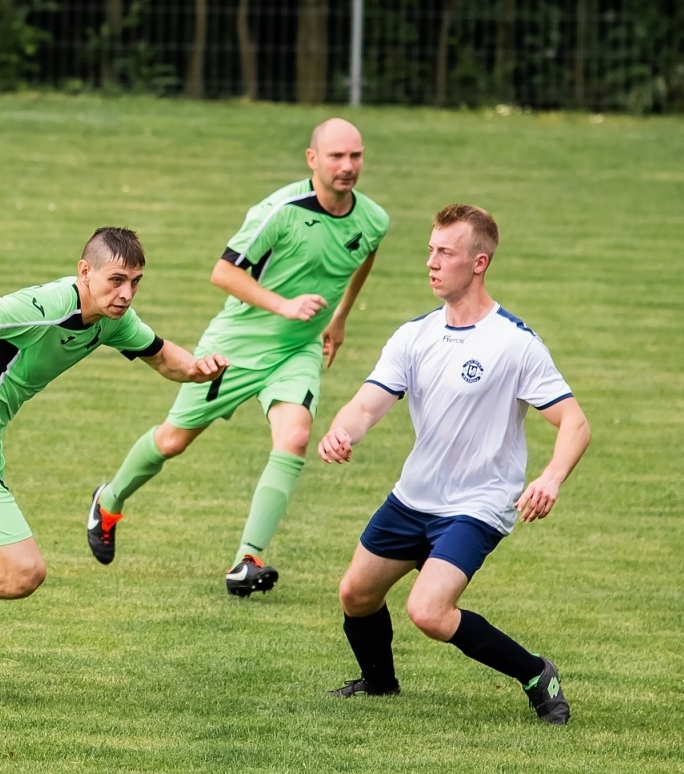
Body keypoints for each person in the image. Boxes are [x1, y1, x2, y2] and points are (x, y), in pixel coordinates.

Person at [0, 228, 227, 657]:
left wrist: (199, 369)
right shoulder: (46, 305)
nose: (126, 293)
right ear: (85, 272)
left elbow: (162, 357)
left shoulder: (110, 321)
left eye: (135, 281)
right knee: (22, 573)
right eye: (116, 280)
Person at [85, 119, 389, 597]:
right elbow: (223, 273)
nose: (347, 166)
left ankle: (248, 558)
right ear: (313, 160)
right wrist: (285, 304)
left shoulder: (373, 219)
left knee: (295, 437)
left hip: (298, 348)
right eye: (336, 157)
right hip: (238, 344)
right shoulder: (279, 212)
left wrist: (341, 316)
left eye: (355, 156)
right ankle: (109, 500)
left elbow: (363, 253)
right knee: (172, 441)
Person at [316, 203, 591, 723]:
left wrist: (551, 478)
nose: (432, 263)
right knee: (355, 593)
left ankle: (537, 673)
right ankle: (379, 684)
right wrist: (341, 431)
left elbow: (575, 423)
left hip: (477, 503)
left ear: (479, 261)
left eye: (445, 252)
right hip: (414, 496)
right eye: (430, 251)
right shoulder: (414, 336)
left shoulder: (515, 344)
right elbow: (368, 403)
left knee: (428, 611)